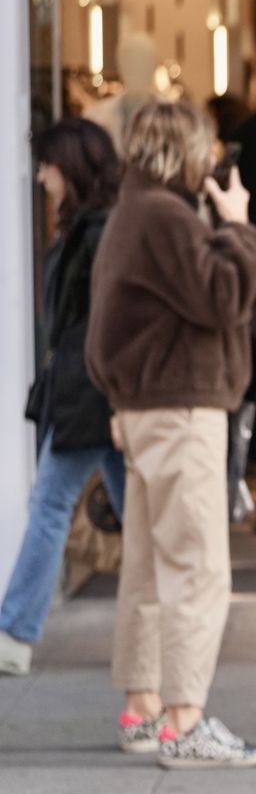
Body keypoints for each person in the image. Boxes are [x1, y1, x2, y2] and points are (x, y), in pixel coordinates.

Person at [87, 100, 256, 768]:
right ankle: (185, 721)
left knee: (146, 566)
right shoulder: (165, 217)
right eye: (206, 146)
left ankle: (144, 709)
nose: (213, 158)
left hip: (146, 410)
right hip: (180, 409)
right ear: (184, 148)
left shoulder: (135, 213)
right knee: (195, 566)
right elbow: (222, 296)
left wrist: (239, 245)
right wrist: (241, 228)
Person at [0, 120, 127, 677]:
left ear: (71, 167)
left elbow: (105, 324)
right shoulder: (84, 227)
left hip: (91, 392)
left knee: (52, 505)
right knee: (137, 515)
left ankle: (14, 632)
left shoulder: (98, 232)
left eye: (50, 165)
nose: (43, 175)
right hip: (89, 390)